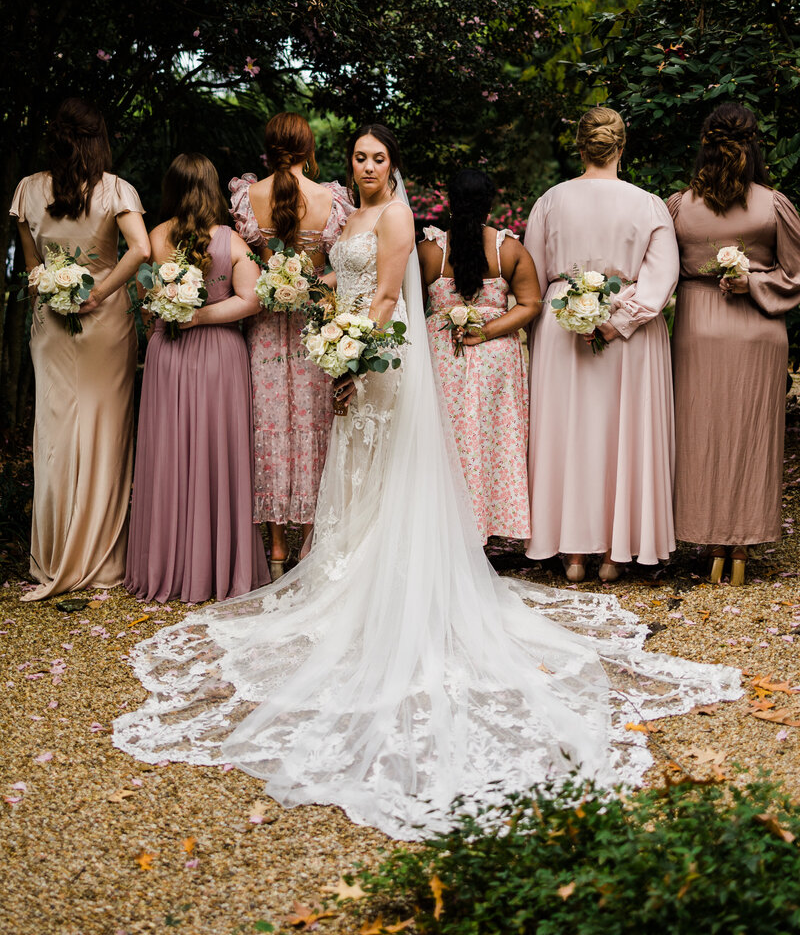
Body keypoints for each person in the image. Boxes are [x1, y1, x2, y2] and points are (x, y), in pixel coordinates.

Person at [112, 124, 738, 843]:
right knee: (352, 469)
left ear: (393, 167)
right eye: (359, 157)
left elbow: (384, 296)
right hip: (344, 345)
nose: (368, 166)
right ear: (346, 163)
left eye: (378, 158)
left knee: (383, 463)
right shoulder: (348, 213)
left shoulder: (401, 217)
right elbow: (337, 278)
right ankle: (348, 571)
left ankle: (392, 581)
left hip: (377, 357)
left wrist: (351, 355)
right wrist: (323, 319)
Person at [524, 107, 679, 582]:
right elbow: (661, 276)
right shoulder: (648, 204)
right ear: (622, 146)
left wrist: (573, 311)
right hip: (628, 335)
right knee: (622, 431)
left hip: (562, 327)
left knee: (567, 432)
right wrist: (619, 320)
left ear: (579, 144)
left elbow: (533, 269)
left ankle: (570, 553)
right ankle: (616, 552)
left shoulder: (551, 201)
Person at [10, 97, 149, 600]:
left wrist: (53, 292)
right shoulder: (116, 190)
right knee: (104, 430)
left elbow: (30, 269)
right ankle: (99, 558)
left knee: (55, 431)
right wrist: (98, 292)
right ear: (99, 140)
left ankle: (51, 557)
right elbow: (141, 250)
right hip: (105, 321)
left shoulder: (27, 190)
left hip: (50, 323)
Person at [125, 153, 269, 604]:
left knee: (169, 453)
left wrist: (182, 313)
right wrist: (206, 315)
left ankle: (167, 565)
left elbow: (145, 298)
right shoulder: (232, 241)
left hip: (168, 352)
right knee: (216, 453)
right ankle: (218, 566)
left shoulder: (156, 237)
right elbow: (252, 300)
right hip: (220, 356)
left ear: (171, 189)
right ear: (211, 191)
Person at [668, 103, 800, 585]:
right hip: (758, 330)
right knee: (751, 434)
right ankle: (740, 547)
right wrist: (758, 281)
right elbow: (796, 274)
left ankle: (708, 541)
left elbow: (660, 275)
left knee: (699, 432)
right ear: (755, 144)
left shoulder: (680, 207)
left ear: (705, 144)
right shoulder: (773, 203)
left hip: (698, 329)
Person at [229, 113, 353, 575]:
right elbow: (343, 267)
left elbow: (246, 265)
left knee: (271, 429)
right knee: (312, 430)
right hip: (313, 331)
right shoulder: (331, 200)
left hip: (263, 331)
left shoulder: (246, 197)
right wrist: (314, 282)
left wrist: (274, 277)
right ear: (308, 147)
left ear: (269, 148)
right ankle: (307, 547)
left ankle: (276, 551)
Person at [419, 168, 540, 545]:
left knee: (445, 440)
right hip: (495, 361)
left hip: (442, 356)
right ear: (490, 205)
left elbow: (411, 306)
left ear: (450, 204)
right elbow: (530, 303)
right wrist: (487, 331)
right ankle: (486, 528)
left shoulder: (429, 252)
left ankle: (444, 528)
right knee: (491, 442)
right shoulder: (510, 250)